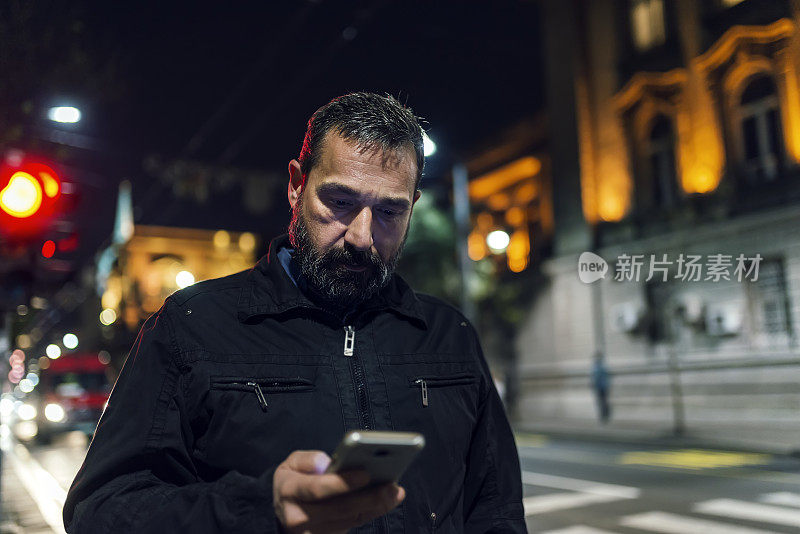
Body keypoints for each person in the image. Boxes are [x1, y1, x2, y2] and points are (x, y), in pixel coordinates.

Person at [63, 92, 526, 533]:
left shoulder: (449, 334)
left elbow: (497, 511)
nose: (363, 236)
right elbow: (100, 509)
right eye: (340, 203)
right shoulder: (192, 325)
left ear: (412, 209)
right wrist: (260, 511)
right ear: (295, 186)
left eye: (389, 211)